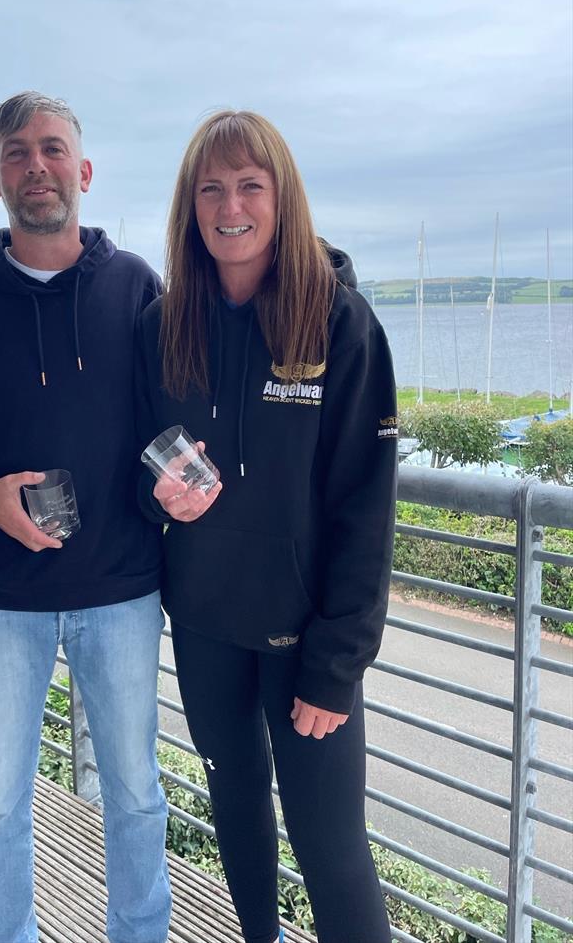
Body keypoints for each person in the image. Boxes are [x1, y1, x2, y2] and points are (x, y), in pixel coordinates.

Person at [0, 92, 170, 943]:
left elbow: (168, 420)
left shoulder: (136, 287)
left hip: (122, 588)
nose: (36, 166)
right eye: (16, 153)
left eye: (52, 149)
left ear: (83, 171)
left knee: (135, 794)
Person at [136, 111, 397, 943]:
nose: (230, 204)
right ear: (190, 206)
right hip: (206, 625)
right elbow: (136, 464)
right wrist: (158, 499)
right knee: (238, 813)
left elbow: (365, 503)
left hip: (305, 643)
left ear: (283, 201)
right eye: (211, 188)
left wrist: (338, 662)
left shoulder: (339, 324)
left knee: (330, 845)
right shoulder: (162, 325)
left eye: (251, 184)